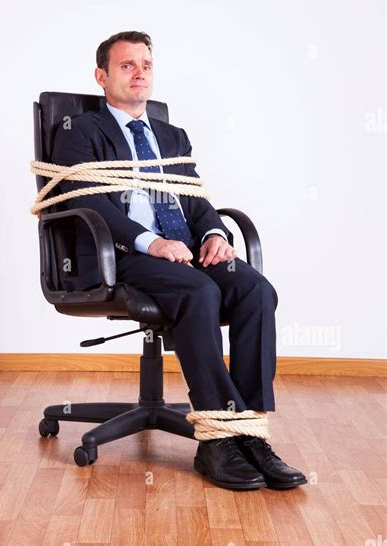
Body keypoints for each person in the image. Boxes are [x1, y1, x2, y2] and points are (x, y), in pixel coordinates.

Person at [52, 30, 307, 491]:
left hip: (185, 249)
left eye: (146, 65)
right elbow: (91, 202)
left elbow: (195, 198)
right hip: (122, 256)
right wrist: (152, 242)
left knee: (255, 290)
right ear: (101, 77)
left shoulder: (171, 135)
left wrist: (213, 233)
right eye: (127, 65)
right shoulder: (79, 132)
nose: (139, 73)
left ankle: (250, 433)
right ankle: (216, 442)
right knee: (199, 290)